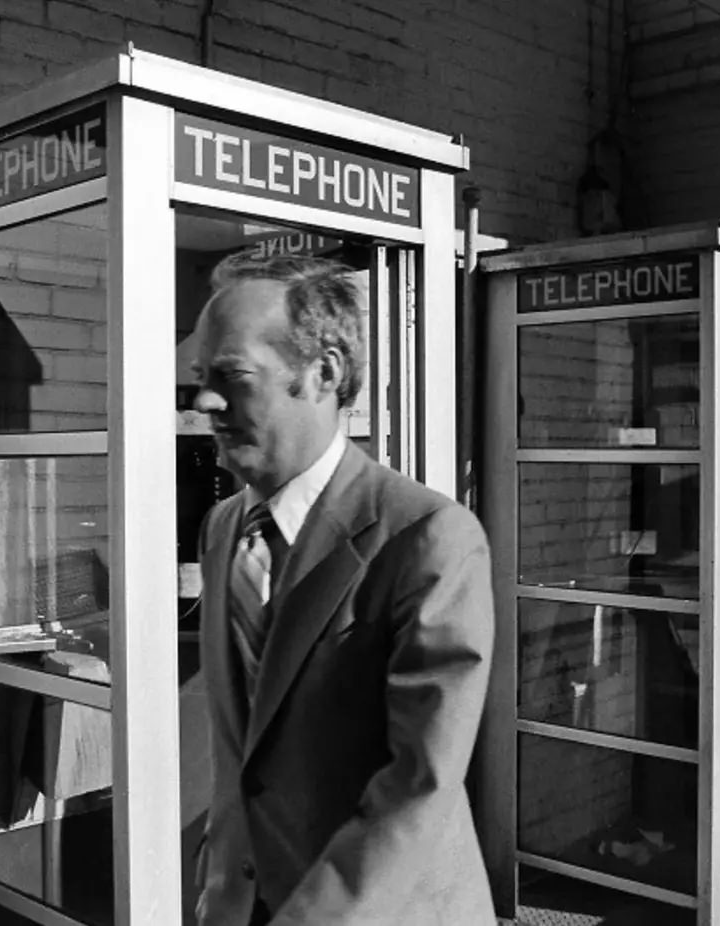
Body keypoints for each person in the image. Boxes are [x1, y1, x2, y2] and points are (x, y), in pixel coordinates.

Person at [189, 252, 496, 926]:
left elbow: (419, 782)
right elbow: (242, 755)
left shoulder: (428, 537)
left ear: (323, 372)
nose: (206, 402)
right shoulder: (221, 530)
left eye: (232, 377)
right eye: (200, 379)